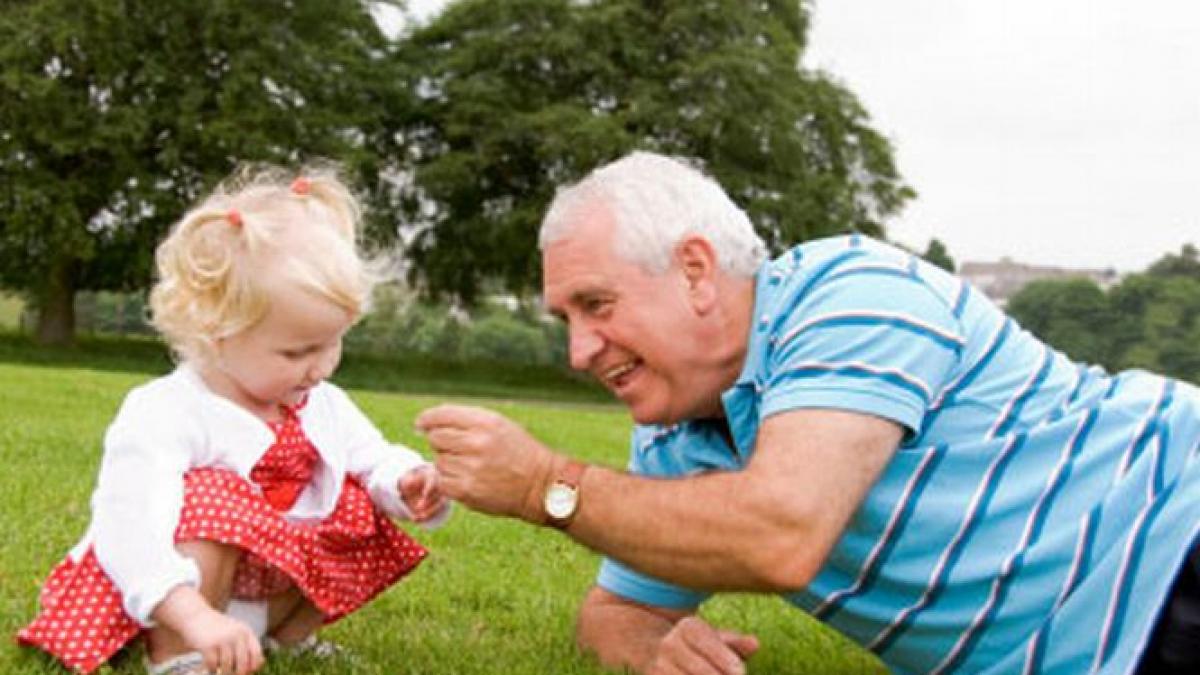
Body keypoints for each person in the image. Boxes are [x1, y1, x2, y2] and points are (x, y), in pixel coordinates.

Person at [417, 151, 1200, 674]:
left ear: (695, 270)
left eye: (597, 305)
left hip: (1176, 535)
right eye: (567, 320)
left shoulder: (849, 292)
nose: (580, 351)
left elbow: (780, 531)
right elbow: (616, 609)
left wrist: (544, 487)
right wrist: (657, 647)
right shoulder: (674, 434)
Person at [18, 166, 450, 675]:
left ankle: (282, 634)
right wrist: (194, 617)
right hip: (170, 596)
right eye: (296, 351)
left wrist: (404, 480)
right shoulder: (169, 409)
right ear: (215, 333)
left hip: (261, 584)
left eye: (334, 342)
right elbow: (127, 528)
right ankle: (179, 653)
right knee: (213, 495)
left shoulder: (320, 401)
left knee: (354, 502)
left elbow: (369, 455)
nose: (322, 365)